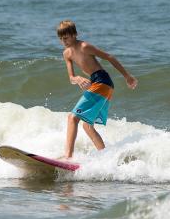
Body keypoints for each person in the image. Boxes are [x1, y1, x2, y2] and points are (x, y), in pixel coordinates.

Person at [57, 20, 138, 159]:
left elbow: (109, 57)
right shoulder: (67, 54)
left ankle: (68, 157)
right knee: (87, 126)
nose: (63, 41)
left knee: (72, 118)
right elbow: (71, 77)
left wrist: (127, 76)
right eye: (61, 39)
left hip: (102, 81)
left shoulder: (84, 47)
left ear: (74, 34)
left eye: (66, 38)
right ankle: (105, 157)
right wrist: (78, 79)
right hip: (97, 83)